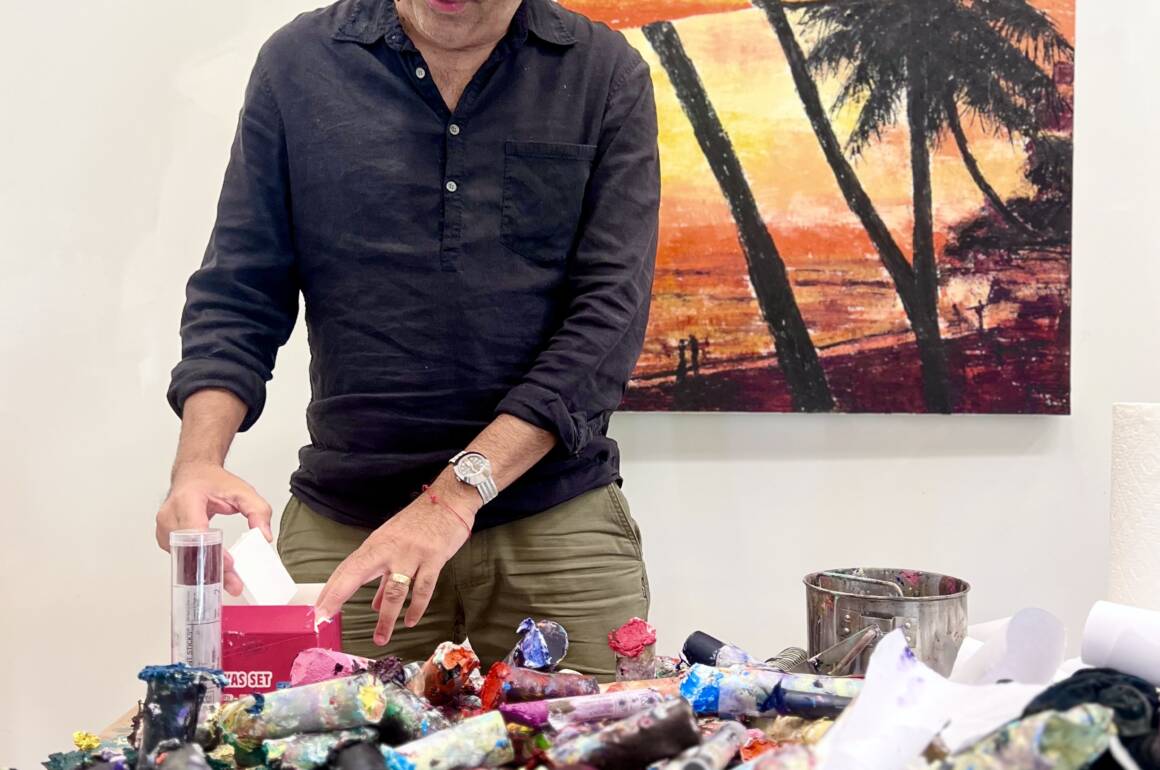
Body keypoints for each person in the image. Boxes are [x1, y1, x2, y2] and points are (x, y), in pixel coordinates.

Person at [154, 0, 660, 677]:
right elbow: (240, 288)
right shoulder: (299, 63)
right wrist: (197, 461)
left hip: (554, 521)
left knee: (595, 731)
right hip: (350, 526)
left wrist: (454, 497)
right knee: (311, 731)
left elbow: (607, 319)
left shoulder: (604, 73)